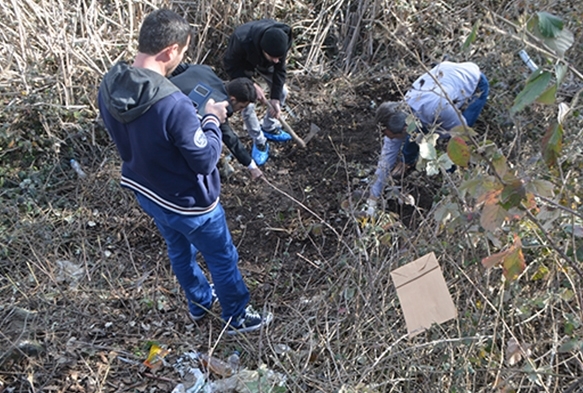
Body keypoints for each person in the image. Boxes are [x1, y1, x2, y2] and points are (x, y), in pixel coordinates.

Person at [97, 9, 272, 334]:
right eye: (184, 51)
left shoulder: (110, 84)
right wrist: (210, 118)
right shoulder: (173, 104)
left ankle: (199, 304)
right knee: (221, 256)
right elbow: (205, 160)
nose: (183, 59)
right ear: (171, 51)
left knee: (179, 249)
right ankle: (236, 315)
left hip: (148, 192)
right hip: (191, 203)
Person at [367, 61, 489, 215]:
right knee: (419, 131)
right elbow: (387, 155)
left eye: (394, 137)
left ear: (404, 128)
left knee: (457, 143)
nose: (391, 140)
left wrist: (434, 141)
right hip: (445, 78)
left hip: (474, 83)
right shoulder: (399, 113)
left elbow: (460, 131)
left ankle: (452, 188)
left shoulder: (438, 108)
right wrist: (373, 197)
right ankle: (407, 161)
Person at [169, 63, 266, 173]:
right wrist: (251, 165)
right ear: (233, 99)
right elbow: (230, 138)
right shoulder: (217, 105)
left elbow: (176, 67)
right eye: (241, 107)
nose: (241, 110)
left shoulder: (204, 70)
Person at [223, 19, 294, 164]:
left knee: (283, 92)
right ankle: (259, 140)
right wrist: (251, 84)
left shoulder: (281, 39)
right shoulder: (240, 39)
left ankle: (269, 127)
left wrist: (274, 98)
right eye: (273, 57)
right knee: (248, 104)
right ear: (263, 49)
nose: (277, 60)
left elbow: (279, 70)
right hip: (242, 66)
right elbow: (230, 65)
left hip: (264, 63)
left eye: (279, 57)